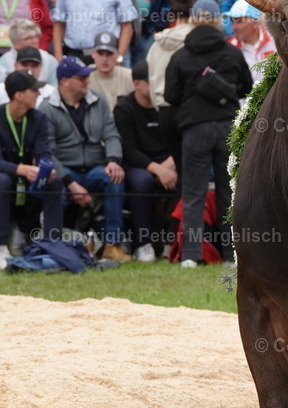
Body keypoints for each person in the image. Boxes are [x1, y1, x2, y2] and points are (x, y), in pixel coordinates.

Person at [164, 0, 252, 267]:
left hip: (194, 129)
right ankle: (230, 256)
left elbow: (170, 96)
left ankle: (191, 256)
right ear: (217, 20)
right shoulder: (232, 53)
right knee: (228, 193)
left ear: (192, 20)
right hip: (226, 127)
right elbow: (246, 89)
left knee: (193, 193)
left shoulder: (180, 56)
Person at [39, 56, 132, 263]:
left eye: (87, 77)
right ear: (64, 81)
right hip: (65, 171)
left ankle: (112, 243)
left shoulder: (98, 101)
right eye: (80, 78)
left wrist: (113, 160)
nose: (87, 81)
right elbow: (48, 153)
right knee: (55, 184)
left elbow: (111, 135)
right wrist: (70, 183)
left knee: (114, 177)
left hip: (94, 167)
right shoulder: (46, 109)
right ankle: (56, 243)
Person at [114, 60, 177, 263]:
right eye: (152, 81)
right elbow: (129, 150)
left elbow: (180, 138)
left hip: (168, 160)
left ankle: (173, 243)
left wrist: (171, 163)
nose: (158, 86)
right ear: (137, 83)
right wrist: (158, 170)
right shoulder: (124, 109)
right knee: (142, 182)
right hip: (138, 163)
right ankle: (143, 244)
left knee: (190, 178)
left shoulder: (168, 105)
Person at [0, 69, 62, 269]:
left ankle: (54, 244)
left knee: (54, 181)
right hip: (7, 176)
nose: (38, 94)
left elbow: (44, 151)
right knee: (3, 181)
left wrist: (46, 168)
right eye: (33, 90)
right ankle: (1, 246)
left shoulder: (38, 118)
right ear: (19, 95)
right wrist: (20, 169)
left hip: (28, 176)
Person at [89, 32, 134, 109]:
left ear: (117, 54)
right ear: (93, 54)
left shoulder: (129, 76)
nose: (104, 59)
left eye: (109, 54)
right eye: (100, 53)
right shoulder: (85, 77)